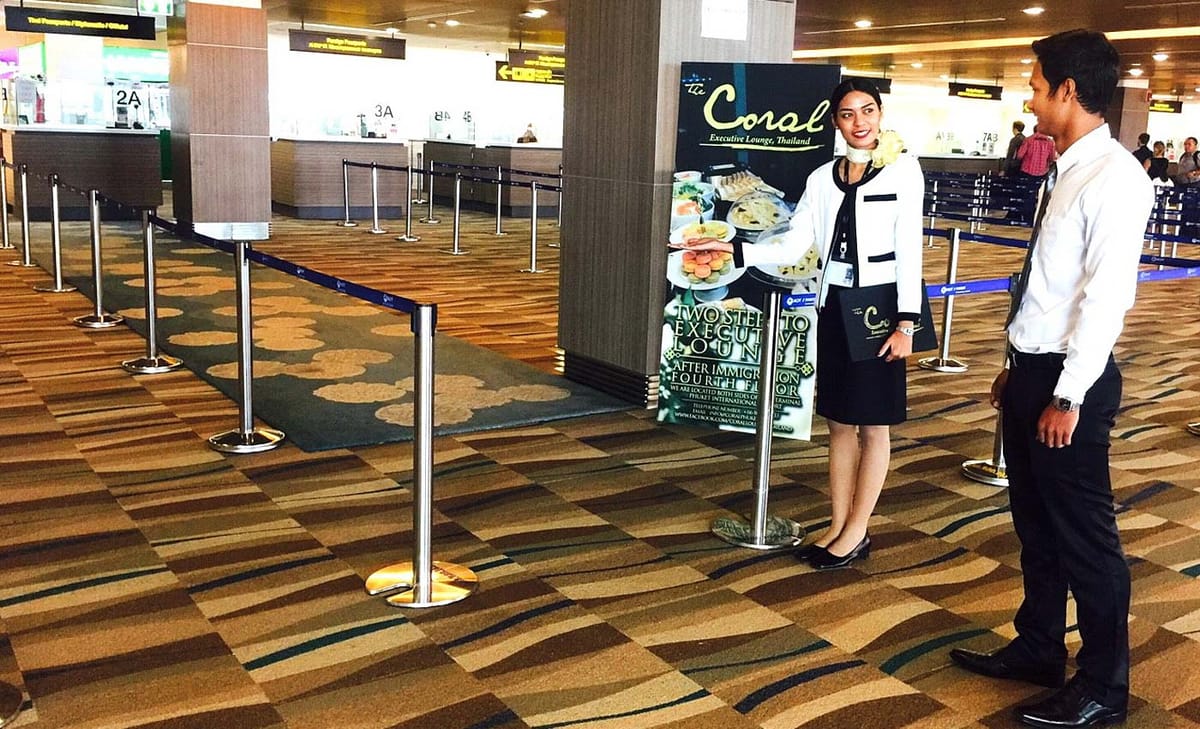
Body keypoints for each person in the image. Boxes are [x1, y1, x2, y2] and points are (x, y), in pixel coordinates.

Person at [947, 29, 1154, 729]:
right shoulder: (1065, 170)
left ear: (1068, 90)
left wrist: (1068, 393)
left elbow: (1105, 300)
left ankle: (1103, 687)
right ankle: (1039, 646)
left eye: (1036, 87)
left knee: (1086, 540)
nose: (1029, 99)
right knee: (1036, 527)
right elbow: (1047, 288)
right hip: (1035, 373)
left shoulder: (1116, 179)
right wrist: (1018, 367)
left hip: (1074, 386)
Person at [672, 78, 924, 571]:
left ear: (880, 114)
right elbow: (793, 244)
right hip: (834, 306)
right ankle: (838, 523)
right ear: (835, 122)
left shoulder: (903, 170)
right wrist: (734, 249)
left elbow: (909, 248)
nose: (859, 122)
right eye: (848, 114)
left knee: (873, 426)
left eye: (868, 111)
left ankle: (858, 530)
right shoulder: (822, 178)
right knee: (838, 423)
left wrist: (907, 323)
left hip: (880, 310)